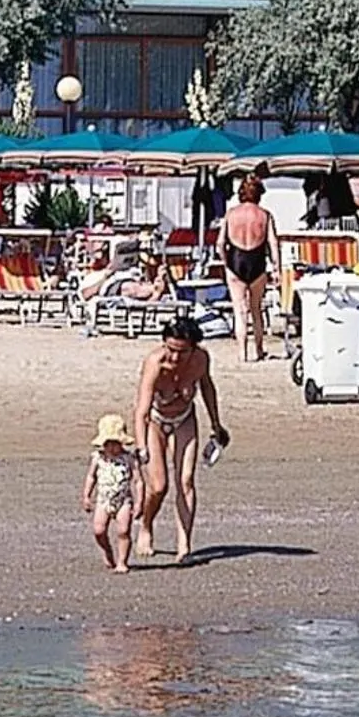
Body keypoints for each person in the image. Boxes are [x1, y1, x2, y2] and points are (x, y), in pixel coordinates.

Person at [132, 314, 228, 564]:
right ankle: (146, 526)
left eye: (181, 352)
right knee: (159, 486)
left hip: (184, 418)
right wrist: (141, 446)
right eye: (170, 349)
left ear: (193, 348)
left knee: (185, 481)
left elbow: (207, 388)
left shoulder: (200, 359)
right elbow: (141, 409)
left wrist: (216, 425)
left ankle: (184, 544)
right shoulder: (155, 362)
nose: (174, 358)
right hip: (155, 421)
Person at [218, 172, 276, 364]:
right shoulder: (265, 215)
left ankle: (242, 353)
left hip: (236, 260)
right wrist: (277, 267)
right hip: (257, 261)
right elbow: (273, 244)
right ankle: (258, 350)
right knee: (256, 309)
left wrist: (226, 263)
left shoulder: (231, 214)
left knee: (239, 310)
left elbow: (220, 244)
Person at [82, 413, 141, 574]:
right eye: (108, 443)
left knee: (123, 531)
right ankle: (107, 552)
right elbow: (91, 477)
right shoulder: (98, 458)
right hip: (103, 500)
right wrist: (87, 496)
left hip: (123, 500)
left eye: (115, 443)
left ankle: (122, 562)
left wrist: (139, 502)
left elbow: (137, 481)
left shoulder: (128, 458)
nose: (112, 447)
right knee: (99, 530)